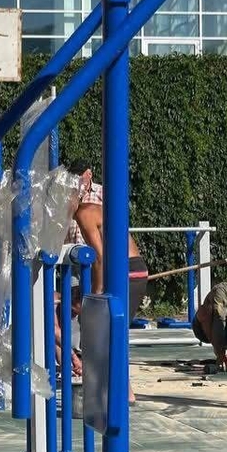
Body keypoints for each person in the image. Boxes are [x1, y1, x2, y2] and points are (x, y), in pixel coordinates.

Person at [62, 159, 149, 403]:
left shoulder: (84, 213)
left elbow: (100, 257)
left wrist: (97, 293)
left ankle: (121, 393)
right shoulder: (86, 210)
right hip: (127, 270)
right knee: (106, 331)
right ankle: (120, 391)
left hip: (127, 272)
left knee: (108, 331)